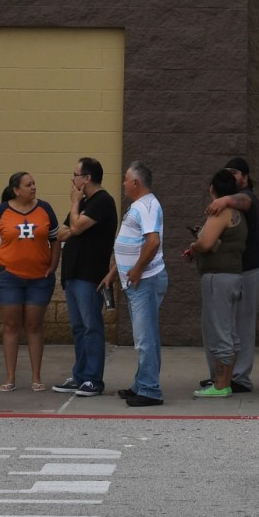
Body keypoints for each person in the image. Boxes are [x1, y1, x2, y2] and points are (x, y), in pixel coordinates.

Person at [0, 171, 59, 393]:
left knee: (34, 325)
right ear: (16, 190)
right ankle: (10, 377)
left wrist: (53, 265)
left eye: (34, 183)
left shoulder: (45, 209)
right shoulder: (3, 210)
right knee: (11, 325)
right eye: (28, 185)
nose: (33, 187)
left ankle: (36, 377)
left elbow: (54, 239)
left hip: (39, 278)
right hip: (8, 277)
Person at [52, 156, 118, 397]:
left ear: (87, 178)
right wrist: (76, 215)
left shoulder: (102, 201)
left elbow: (76, 228)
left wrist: (75, 203)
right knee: (78, 327)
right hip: (72, 273)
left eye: (75, 175)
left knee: (92, 326)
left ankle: (93, 379)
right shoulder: (85, 203)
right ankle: (79, 375)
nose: (72, 180)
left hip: (90, 274)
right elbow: (61, 233)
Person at [183, 168, 247, 398]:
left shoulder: (219, 212)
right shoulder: (238, 214)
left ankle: (219, 385)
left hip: (217, 278)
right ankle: (226, 381)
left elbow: (208, 243)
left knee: (219, 331)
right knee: (230, 332)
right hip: (234, 277)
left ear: (213, 189)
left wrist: (194, 246)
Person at [107, 161, 166, 406]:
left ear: (135, 183)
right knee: (143, 337)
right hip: (136, 281)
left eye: (125, 179)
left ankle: (150, 390)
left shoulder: (148, 206)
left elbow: (152, 242)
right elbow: (129, 243)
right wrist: (113, 273)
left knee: (146, 338)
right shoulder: (139, 206)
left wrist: (138, 270)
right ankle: (141, 384)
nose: (123, 184)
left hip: (146, 281)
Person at [203, 157, 259, 393]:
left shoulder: (248, 197)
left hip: (249, 269)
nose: (232, 175)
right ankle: (221, 376)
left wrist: (225, 199)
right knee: (222, 326)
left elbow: (244, 201)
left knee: (243, 325)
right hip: (229, 270)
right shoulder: (224, 207)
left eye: (236, 172)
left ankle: (239, 377)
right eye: (227, 171)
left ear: (246, 177)